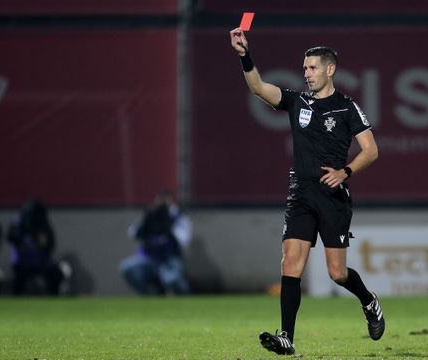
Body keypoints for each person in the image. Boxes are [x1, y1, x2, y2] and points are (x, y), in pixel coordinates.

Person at [230, 28, 385, 355]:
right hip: (300, 193)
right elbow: (257, 87)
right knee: (290, 264)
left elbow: (371, 150)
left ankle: (369, 302)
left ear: (330, 70)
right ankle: (286, 336)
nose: (306, 74)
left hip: (332, 198)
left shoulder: (347, 107)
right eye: (304, 69)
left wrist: (345, 172)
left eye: (312, 68)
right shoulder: (296, 100)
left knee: (337, 273)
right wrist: (245, 54)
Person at [119, 191, 192, 295]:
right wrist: (145, 224)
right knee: (126, 267)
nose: (162, 203)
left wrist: (169, 227)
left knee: (171, 279)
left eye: (165, 200)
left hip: (169, 260)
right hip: (149, 259)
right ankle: (151, 295)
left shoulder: (178, 217)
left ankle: (185, 297)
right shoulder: (150, 215)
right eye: (159, 200)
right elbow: (132, 234)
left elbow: (184, 240)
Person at [8, 199, 63, 295]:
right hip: (22, 263)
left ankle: (53, 300)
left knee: (56, 274)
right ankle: (15, 301)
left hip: (40, 262)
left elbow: (50, 246)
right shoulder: (18, 223)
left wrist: (43, 243)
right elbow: (11, 238)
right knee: (18, 281)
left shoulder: (44, 225)